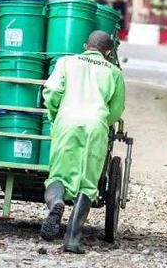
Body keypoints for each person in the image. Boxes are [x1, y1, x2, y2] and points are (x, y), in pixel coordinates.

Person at [40, 31, 126, 253]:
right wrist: (101, 122)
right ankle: (72, 240)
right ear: (108, 52)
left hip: (67, 121)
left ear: (85, 46)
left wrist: (56, 114)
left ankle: (56, 202)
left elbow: (52, 92)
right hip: (96, 126)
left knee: (58, 175)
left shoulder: (66, 62)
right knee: (87, 184)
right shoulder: (114, 73)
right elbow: (116, 110)